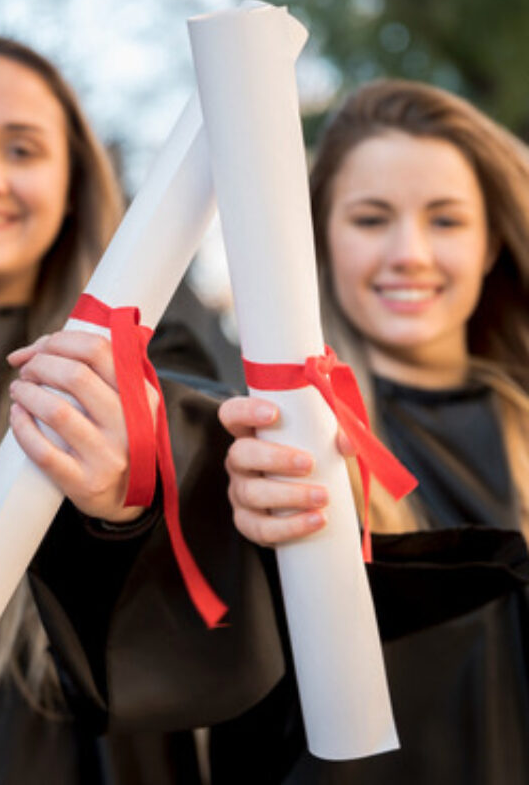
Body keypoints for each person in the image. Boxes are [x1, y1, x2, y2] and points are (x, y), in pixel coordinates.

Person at [0, 37, 281, 785]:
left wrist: (130, 494)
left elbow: (209, 430)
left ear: (71, 179)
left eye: (23, 148)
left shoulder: (147, 350)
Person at [215, 79, 529, 785]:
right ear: (320, 237)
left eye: (446, 221)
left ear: (489, 243)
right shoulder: (281, 448)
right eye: (370, 219)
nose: (409, 253)